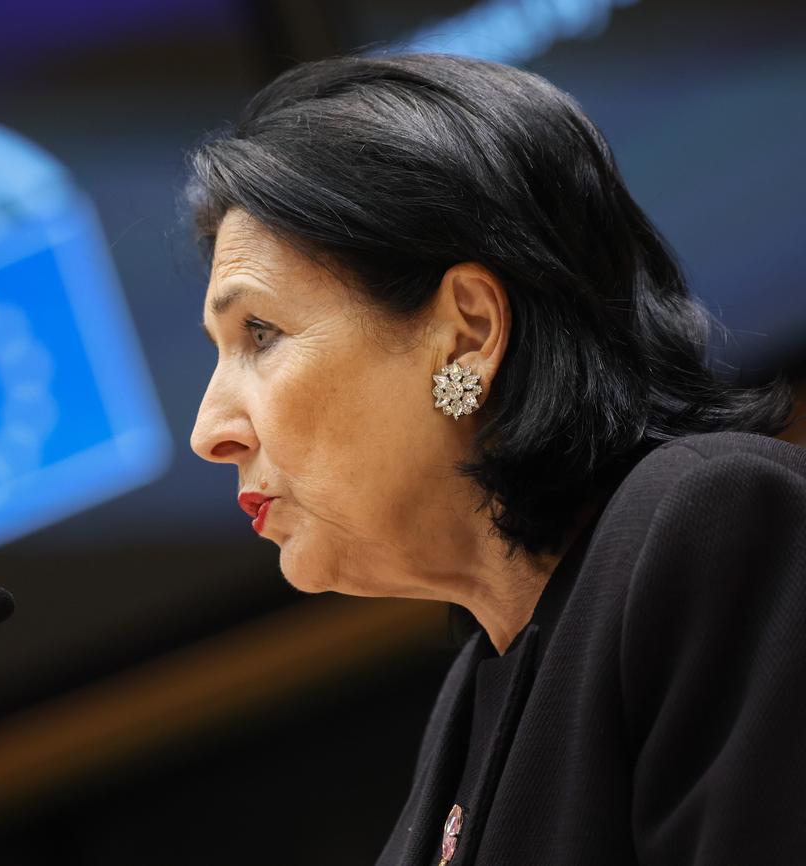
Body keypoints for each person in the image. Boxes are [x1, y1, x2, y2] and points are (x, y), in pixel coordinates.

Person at [182, 53, 806, 864]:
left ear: (469, 334)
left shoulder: (711, 526)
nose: (209, 430)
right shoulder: (470, 700)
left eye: (259, 335)